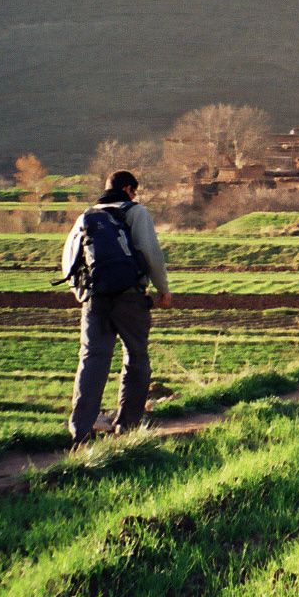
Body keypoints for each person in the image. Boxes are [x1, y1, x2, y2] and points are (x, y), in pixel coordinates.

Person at [61, 169, 173, 446]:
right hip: (130, 296)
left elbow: (68, 261)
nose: (135, 195)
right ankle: (127, 426)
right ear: (127, 189)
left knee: (91, 360)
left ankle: (81, 432)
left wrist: (82, 293)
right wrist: (163, 289)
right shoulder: (134, 211)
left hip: (95, 298)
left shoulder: (86, 216)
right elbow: (150, 252)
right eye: (134, 191)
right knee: (136, 357)